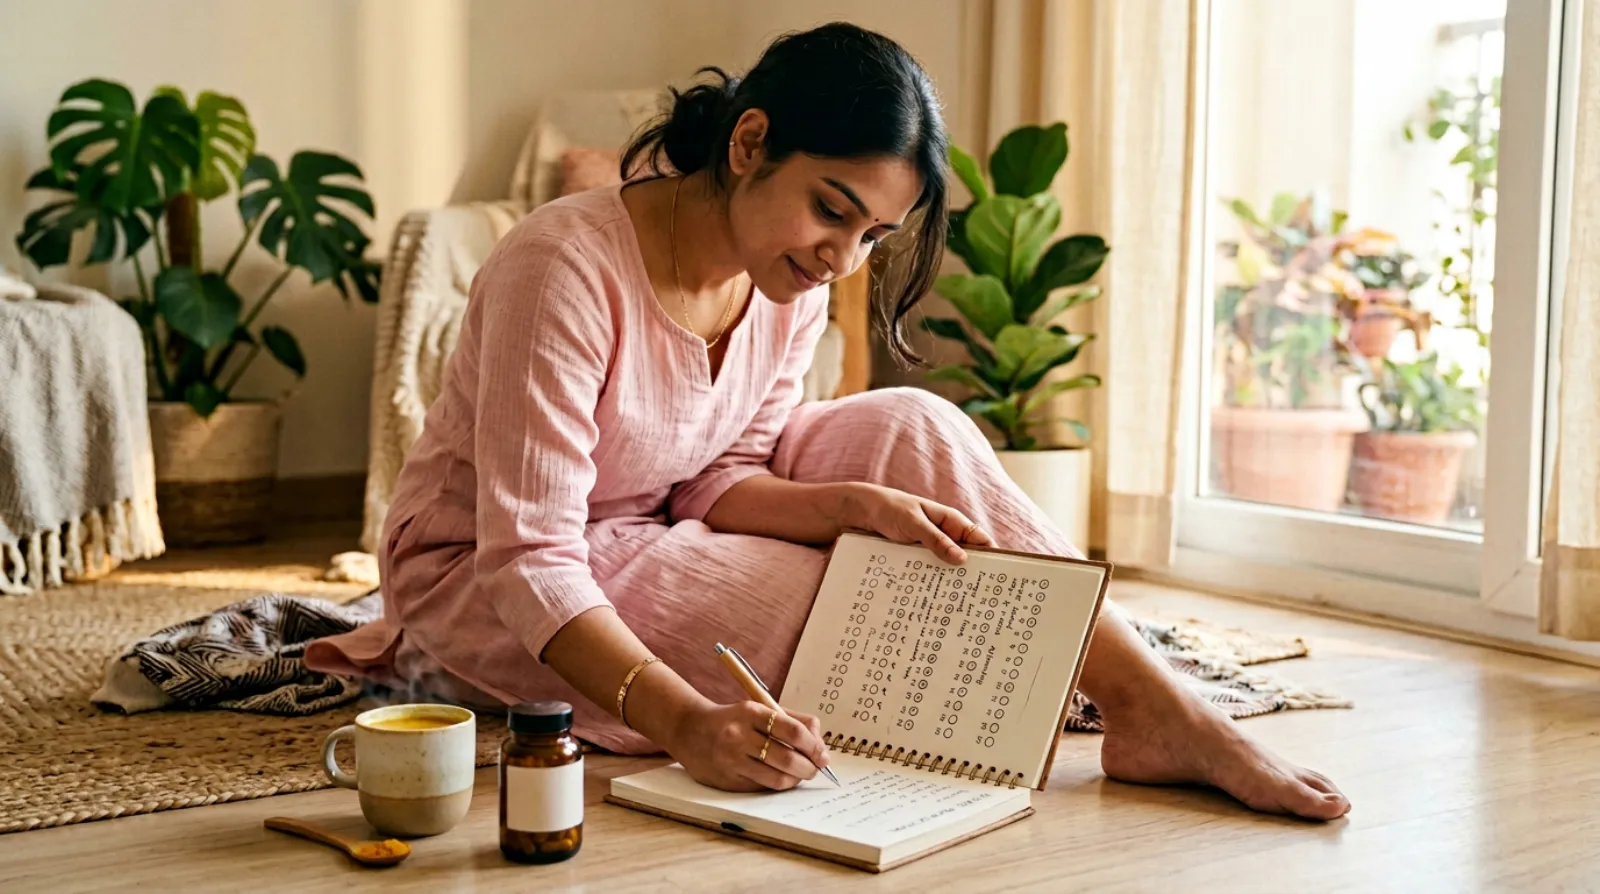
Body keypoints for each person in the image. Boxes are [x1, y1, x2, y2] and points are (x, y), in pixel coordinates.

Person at [306, 22, 1350, 821]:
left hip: (661, 519)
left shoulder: (788, 279)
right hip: (494, 569)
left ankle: (1149, 704)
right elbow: (530, 553)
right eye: (832, 210)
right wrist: (686, 721)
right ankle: (1044, 689)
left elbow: (720, 476)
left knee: (911, 427)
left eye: (874, 235)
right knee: (842, 603)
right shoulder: (562, 268)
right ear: (750, 143)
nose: (842, 260)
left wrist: (854, 503)